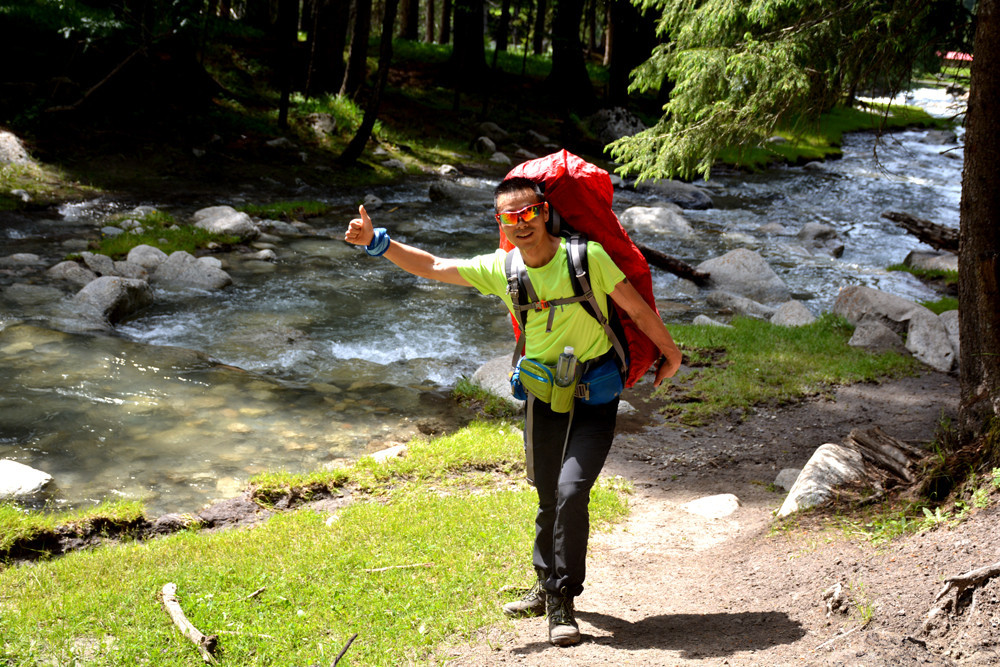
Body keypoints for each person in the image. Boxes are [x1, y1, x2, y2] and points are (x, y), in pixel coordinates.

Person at [345, 177, 682, 646]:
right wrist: (378, 243)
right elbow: (437, 265)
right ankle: (546, 587)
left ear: (544, 213)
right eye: (510, 217)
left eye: (528, 214)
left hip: (596, 395)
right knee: (547, 495)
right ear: (500, 221)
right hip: (544, 396)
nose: (521, 224)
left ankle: (563, 600)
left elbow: (639, 311)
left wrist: (672, 353)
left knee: (571, 490)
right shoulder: (503, 269)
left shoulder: (586, 259)